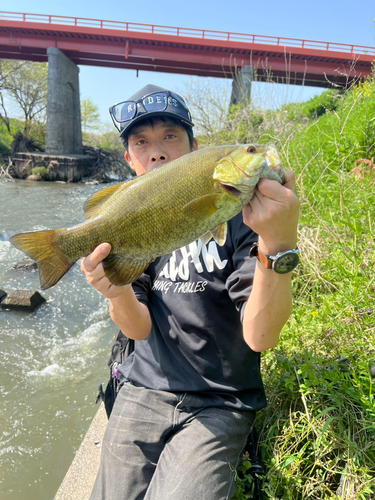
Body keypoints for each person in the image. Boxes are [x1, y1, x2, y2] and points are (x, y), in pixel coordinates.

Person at [82, 84, 299, 500]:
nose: (157, 152)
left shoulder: (243, 217)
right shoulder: (131, 227)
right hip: (144, 386)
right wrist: (116, 292)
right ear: (129, 161)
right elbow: (137, 329)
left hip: (221, 400)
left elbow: (261, 337)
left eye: (170, 137)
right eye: (141, 143)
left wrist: (277, 244)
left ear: (197, 150)